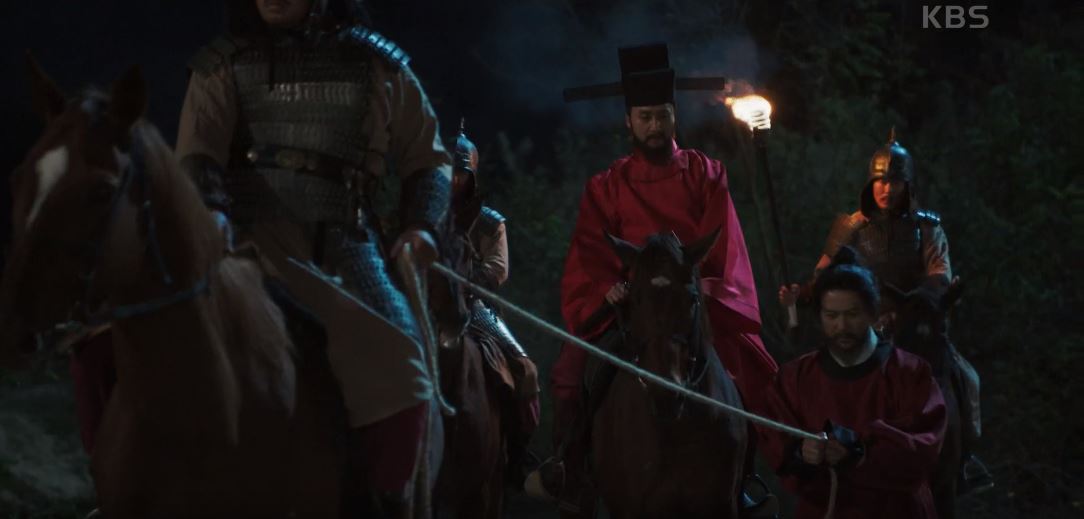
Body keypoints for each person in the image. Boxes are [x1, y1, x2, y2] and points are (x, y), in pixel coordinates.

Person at [175, 0, 451, 515]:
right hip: (248, 245)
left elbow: (429, 159)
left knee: (403, 367)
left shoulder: (379, 65)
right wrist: (210, 211)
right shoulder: (225, 63)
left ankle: (384, 504)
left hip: (346, 247)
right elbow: (198, 153)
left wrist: (421, 226)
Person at [532, 43, 779, 512]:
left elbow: (721, 243)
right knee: (571, 370)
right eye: (644, 117)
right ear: (629, 122)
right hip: (631, 305)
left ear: (674, 117)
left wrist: (699, 288)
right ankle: (572, 468)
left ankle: (745, 477)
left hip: (691, 299)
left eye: (662, 116)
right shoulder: (606, 186)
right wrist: (607, 291)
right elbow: (591, 251)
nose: (654, 126)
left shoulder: (706, 173)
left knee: (751, 367)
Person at [778, 129, 990, 492]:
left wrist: (910, 306)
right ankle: (811, 454)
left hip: (916, 324)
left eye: (894, 181)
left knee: (967, 378)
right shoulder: (851, 226)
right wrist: (802, 292)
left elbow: (939, 275)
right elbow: (825, 274)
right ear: (870, 183)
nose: (887, 189)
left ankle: (963, 459)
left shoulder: (927, 227)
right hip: (863, 327)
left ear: (907, 185)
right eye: (880, 181)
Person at [765, 246, 947, 519]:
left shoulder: (909, 373)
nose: (841, 326)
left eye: (852, 314)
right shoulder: (795, 379)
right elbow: (778, 446)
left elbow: (923, 448)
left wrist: (858, 452)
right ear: (820, 317)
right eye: (831, 316)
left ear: (873, 314)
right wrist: (802, 453)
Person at [443, 121, 542, 487]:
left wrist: (464, 277)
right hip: (430, 301)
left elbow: (497, 270)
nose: (454, 180)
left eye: (460, 174)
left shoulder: (488, 223)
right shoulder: (426, 213)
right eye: (448, 172)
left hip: (474, 307)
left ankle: (517, 452)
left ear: (472, 176)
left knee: (525, 370)